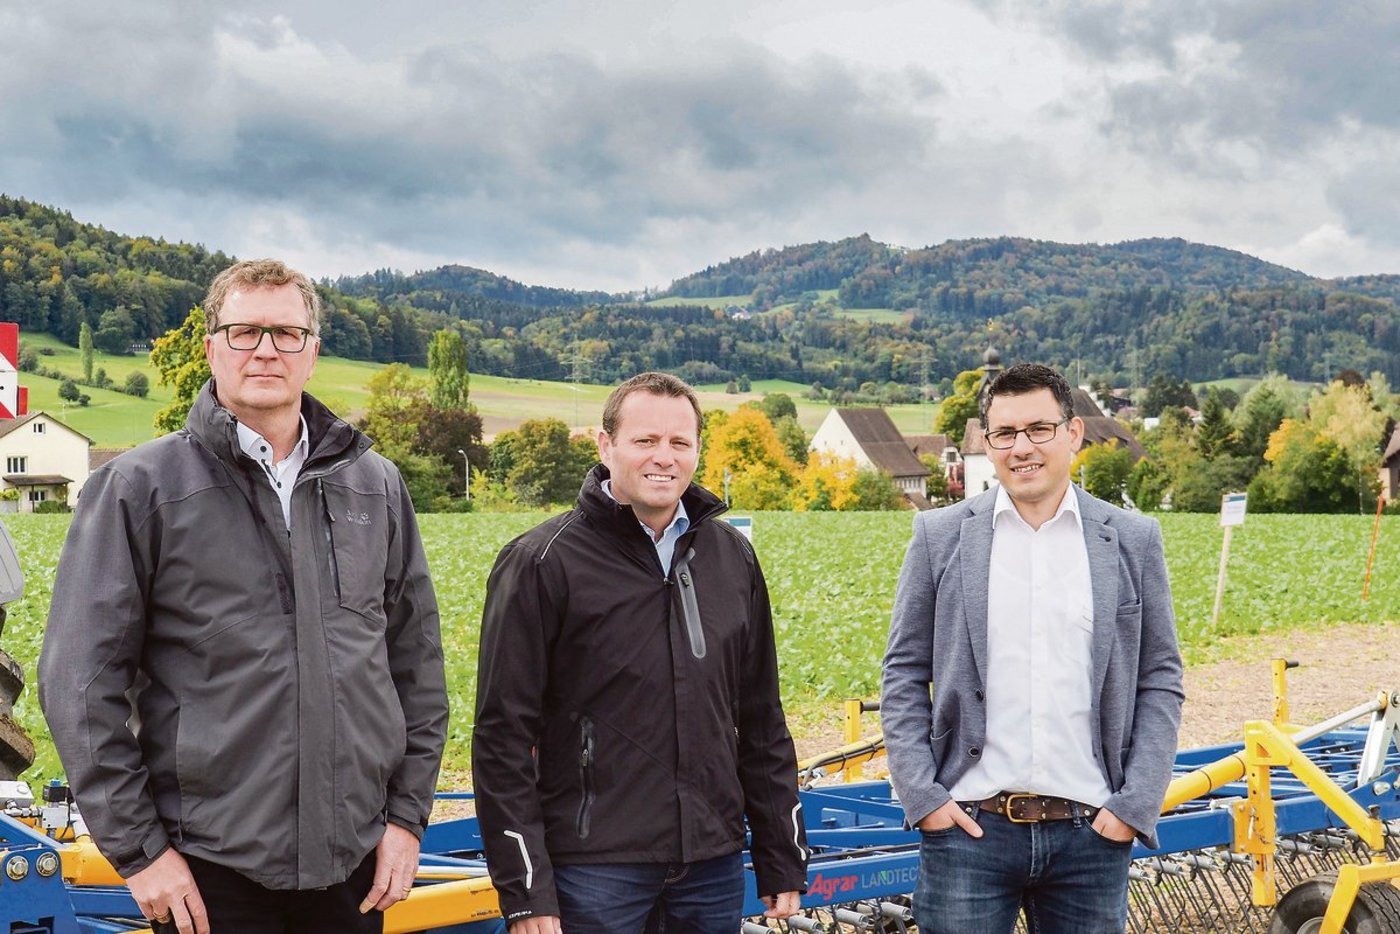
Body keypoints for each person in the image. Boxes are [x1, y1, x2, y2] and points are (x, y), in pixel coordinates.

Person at [39, 259, 449, 934]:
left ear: (312, 352)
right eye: (244, 331)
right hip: (207, 871)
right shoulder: (142, 488)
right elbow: (80, 683)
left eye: (286, 334)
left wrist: (407, 820)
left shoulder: (374, 485)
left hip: (354, 866)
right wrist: (142, 854)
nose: (265, 349)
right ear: (211, 347)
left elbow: (417, 668)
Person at [472, 371, 808, 934]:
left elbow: (760, 717)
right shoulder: (542, 562)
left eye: (680, 442)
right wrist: (528, 893)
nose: (664, 458)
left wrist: (781, 853)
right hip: (595, 870)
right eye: (645, 441)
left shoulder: (732, 558)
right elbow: (502, 737)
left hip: (710, 862)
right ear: (606, 446)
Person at [881, 363, 1183, 934]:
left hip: (1090, 833)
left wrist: (1135, 804)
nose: (1022, 448)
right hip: (968, 829)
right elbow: (902, 671)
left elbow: (1160, 676)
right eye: (1005, 434)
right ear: (988, 442)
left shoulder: (1132, 540)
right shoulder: (940, 536)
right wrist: (923, 795)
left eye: (1039, 430)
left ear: (1072, 435)